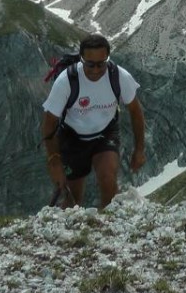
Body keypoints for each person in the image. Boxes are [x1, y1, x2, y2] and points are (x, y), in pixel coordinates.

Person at [42, 34, 146, 209]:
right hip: (72, 138)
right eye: (90, 64)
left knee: (108, 179)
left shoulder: (119, 76)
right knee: (73, 200)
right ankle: (70, 228)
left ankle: (107, 225)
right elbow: (48, 123)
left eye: (101, 64)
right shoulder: (66, 81)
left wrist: (139, 150)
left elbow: (136, 112)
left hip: (105, 134)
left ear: (108, 59)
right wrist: (54, 160)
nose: (96, 70)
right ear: (81, 60)